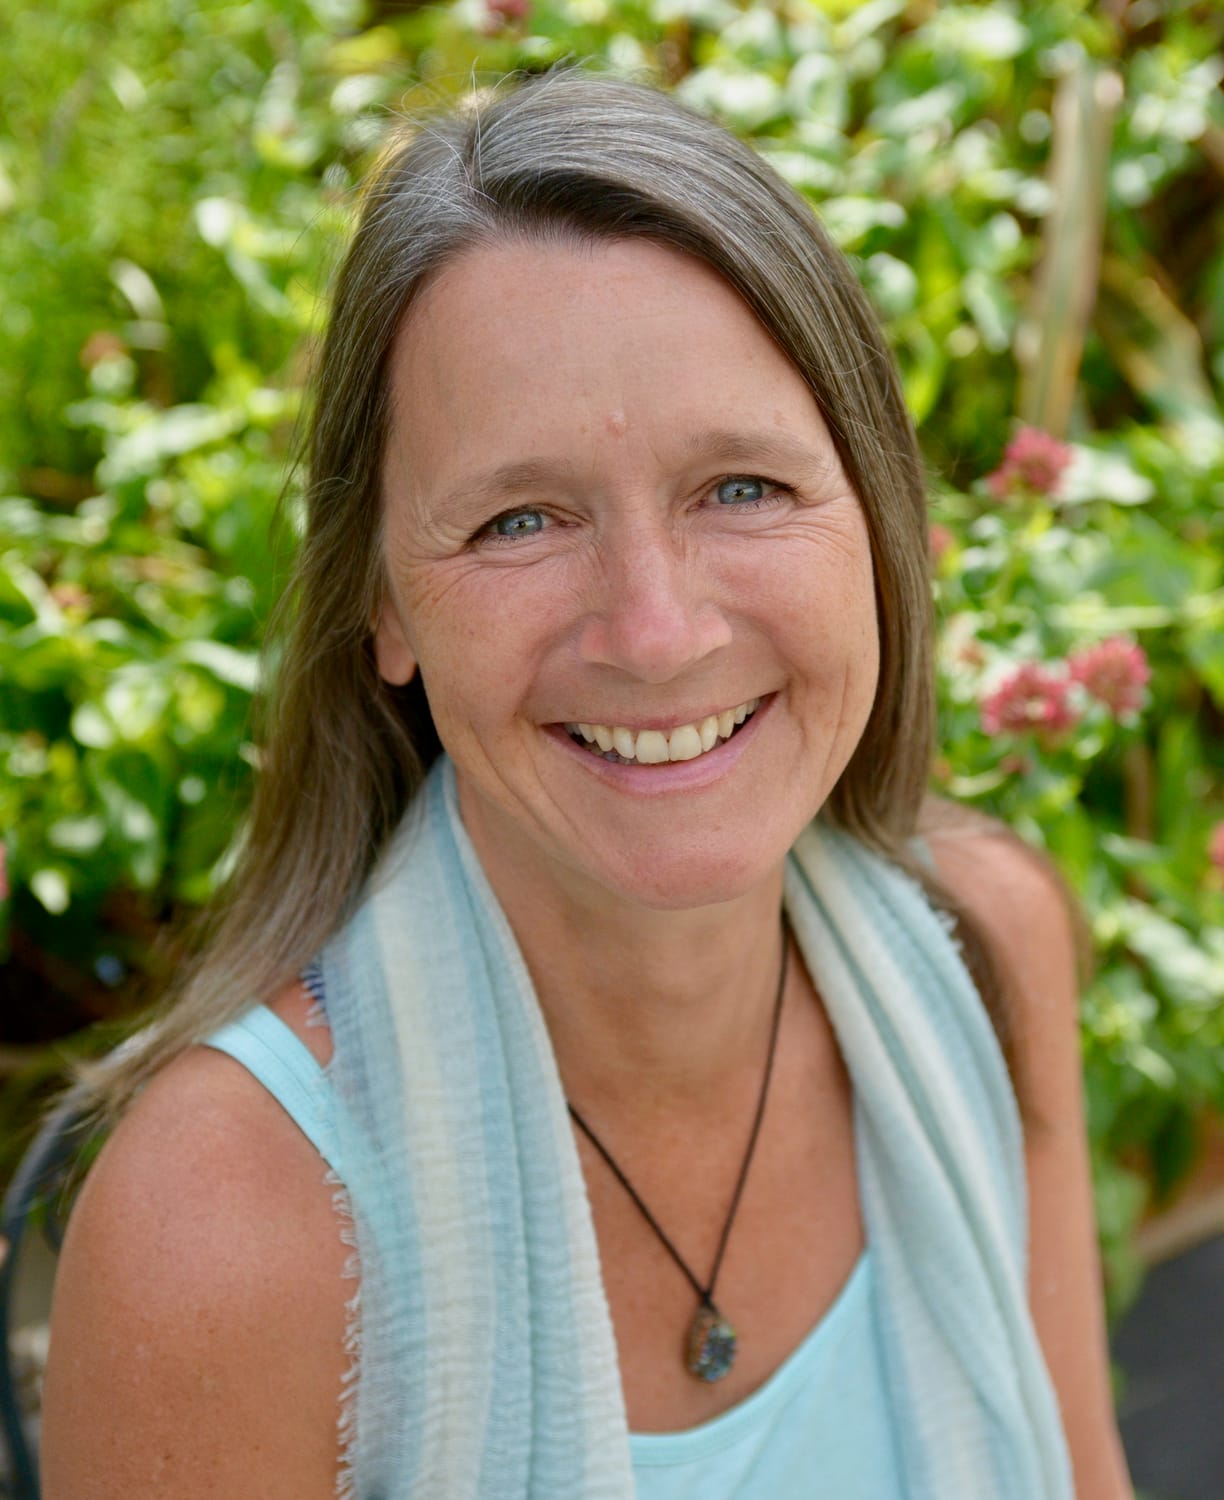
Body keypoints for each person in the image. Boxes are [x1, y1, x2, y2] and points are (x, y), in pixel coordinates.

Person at [40, 70, 1132, 1498]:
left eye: (740, 487)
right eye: (521, 519)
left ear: (875, 516)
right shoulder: (221, 1228)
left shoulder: (986, 943)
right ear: (382, 604)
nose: (658, 633)